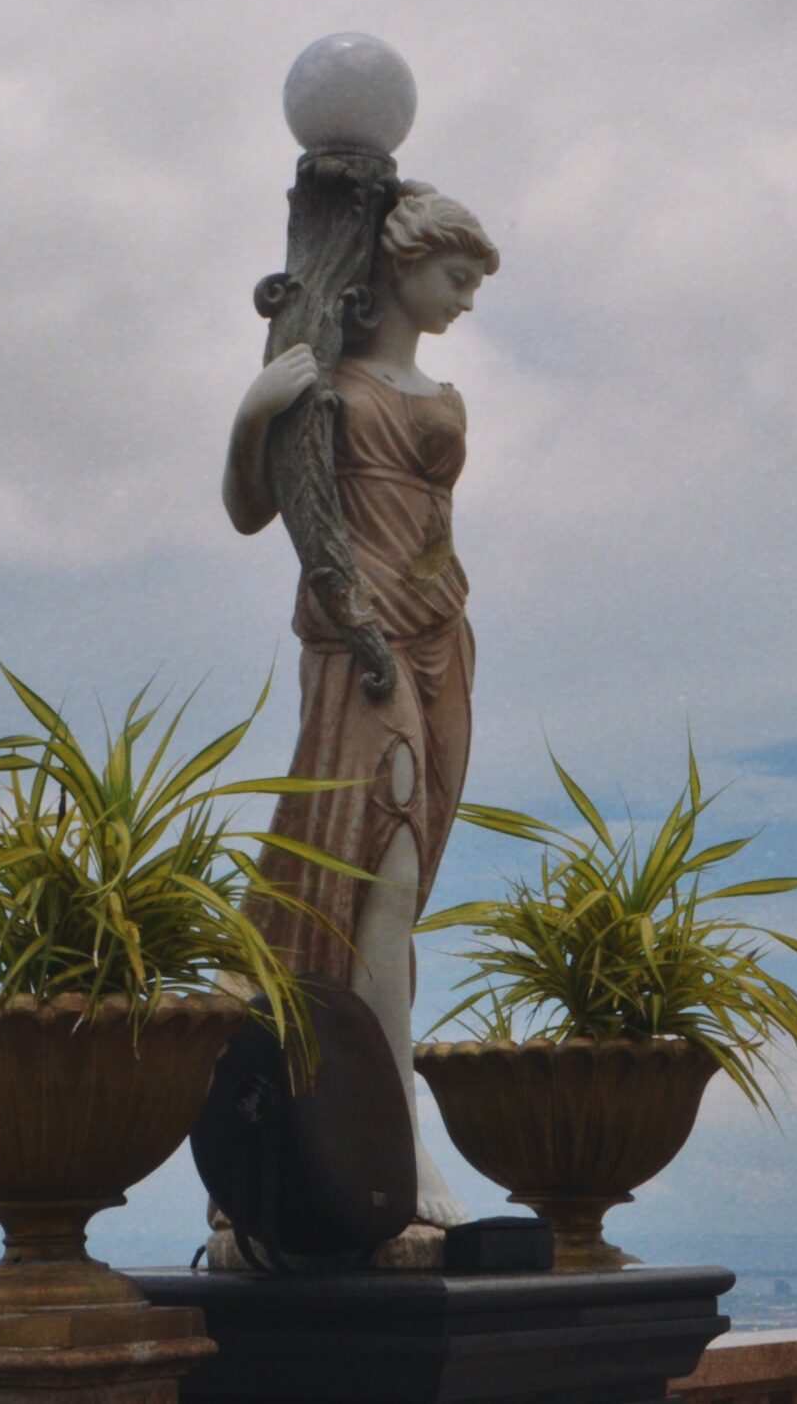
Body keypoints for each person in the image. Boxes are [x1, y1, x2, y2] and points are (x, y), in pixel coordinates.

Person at [221, 181, 495, 1233]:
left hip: (442, 644)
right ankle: (398, 1139)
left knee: (406, 878)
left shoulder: (446, 399)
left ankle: (343, 1117)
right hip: (355, 644)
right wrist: (255, 411)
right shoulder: (317, 385)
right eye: (455, 277)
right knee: (374, 869)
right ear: (398, 264)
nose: (466, 300)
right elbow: (253, 510)